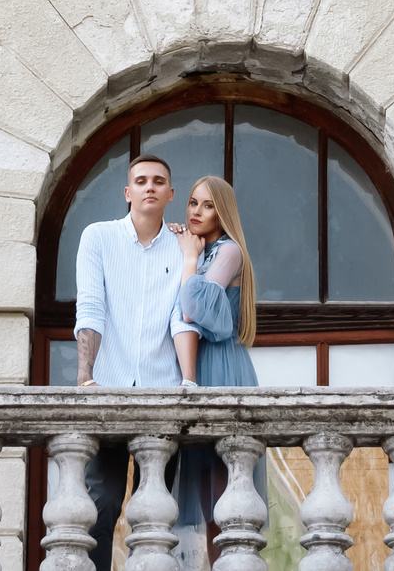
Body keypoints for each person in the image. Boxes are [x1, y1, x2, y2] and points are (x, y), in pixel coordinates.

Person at [73, 153, 184, 571]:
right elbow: (91, 306)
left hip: (165, 393)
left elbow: (182, 318)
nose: (149, 186)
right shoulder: (98, 237)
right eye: (140, 181)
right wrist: (86, 378)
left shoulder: (183, 243)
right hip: (108, 388)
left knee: (155, 514)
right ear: (127, 192)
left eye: (158, 181)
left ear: (170, 194)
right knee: (99, 506)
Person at [170, 176, 264, 563]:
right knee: (207, 490)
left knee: (227, 488)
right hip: (196, 363)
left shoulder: (228, 252)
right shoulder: (198, 245)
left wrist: (188, 258)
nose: (196, 212)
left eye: (207, 205)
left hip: (222, 365)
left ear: (222, 211)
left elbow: (195, 307)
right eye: (193, 203)